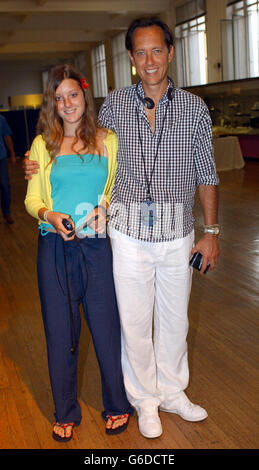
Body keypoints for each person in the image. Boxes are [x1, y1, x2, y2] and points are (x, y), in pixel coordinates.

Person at [24, 17, 220, 440]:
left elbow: (207, 172)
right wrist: (35, 162)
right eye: (141, 53)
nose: (150, 60)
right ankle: (144, 401)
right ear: (131, 59)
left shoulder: (195, 109)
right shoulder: (113, 107)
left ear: (170, 53)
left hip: (176, 234)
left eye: (157, 51)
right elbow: (78, 144)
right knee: (132, 323)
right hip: (128, 234)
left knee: (174, 322)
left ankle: (173, 393)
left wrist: (212, 232)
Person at [24, 64, 133, 442]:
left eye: (72, 94)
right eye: (59, 98)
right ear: (52, 105)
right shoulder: (42, 146)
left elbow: (116, 187)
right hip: (54, 248)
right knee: (60, 332)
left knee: (106, 330)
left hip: (97, 248)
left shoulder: (108, 140)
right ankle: (65, 411)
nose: (67, 103)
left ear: (84, 96)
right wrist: (49, 215)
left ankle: (117, 405)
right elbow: (32, 198)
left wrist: (106, 208)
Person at [0, 114, 16, 224]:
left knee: (5, 186)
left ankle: (6, 212)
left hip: (1, 158)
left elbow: (7, 137)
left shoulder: (1, 119)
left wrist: (12, 154)